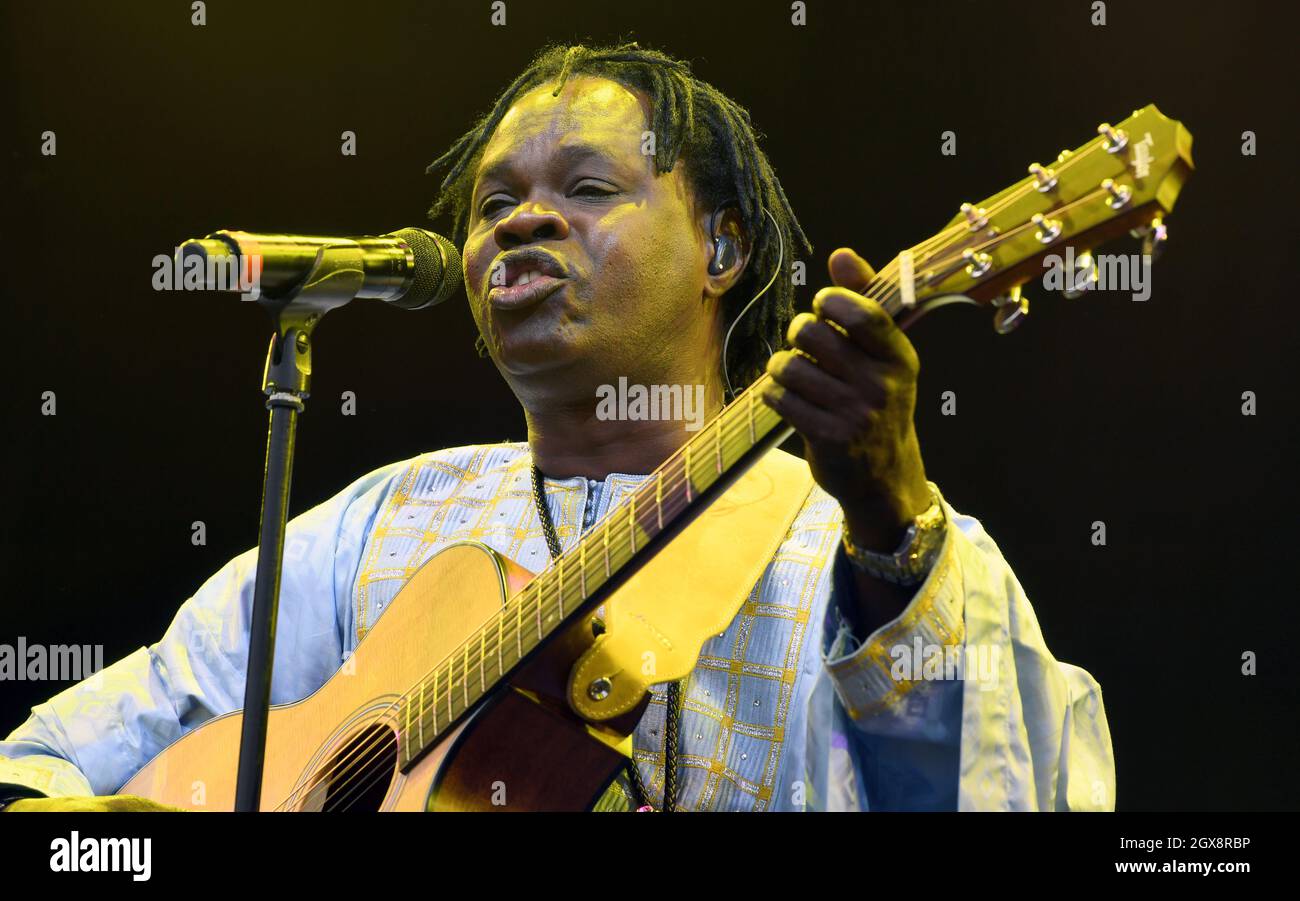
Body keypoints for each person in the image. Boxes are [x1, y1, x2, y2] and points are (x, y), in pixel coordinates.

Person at [0, 42, 1113, 812]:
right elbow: (52, 760)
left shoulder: (857, 530)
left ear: (721, 250)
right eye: (493, 205)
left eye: (588, 187)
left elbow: (1013, 791)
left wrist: (887, 533)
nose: (525, 218)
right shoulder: (381, 521)